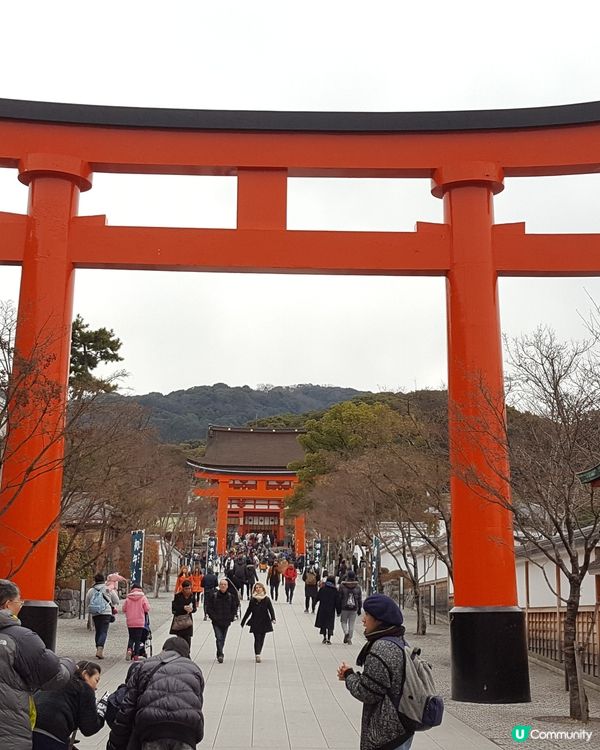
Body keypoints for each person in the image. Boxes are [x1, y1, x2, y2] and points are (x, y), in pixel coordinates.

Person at [0, 579, 74, 750]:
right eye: (20, 601)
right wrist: (68, 663)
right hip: (9, 734)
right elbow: (55, 676)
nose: (21, 605)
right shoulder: (21, 638)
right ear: (8, 604)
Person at [337, 594, 413, 750]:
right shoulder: (400, 641)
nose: (363, 620)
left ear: (379, 620)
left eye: (368, 615)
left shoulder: (381, 648)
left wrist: (349, 675)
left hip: (387, 731)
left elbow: (369, 693)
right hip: (402, 725)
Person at [107, 636, 204, 750]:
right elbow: (197, 704)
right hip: (186, 730)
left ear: (164, 650)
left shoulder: (144, 665)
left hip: (152, 727)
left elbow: (128, 707)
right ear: (187, 654)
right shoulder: (194, 669)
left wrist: (115, 743)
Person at [33, 660, 106, 749]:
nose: (96, 687)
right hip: (53, 735)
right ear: (85, 674)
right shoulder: (84, 688)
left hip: (29, 729)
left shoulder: (55, 680)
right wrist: (102, 709)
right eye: (96, 680)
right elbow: (89, 728)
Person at [85, 572, 120, 659]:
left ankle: (98, 647)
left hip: (96, 613)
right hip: (106, 613)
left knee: (98, 630)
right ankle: (100, 648)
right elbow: (116, 600)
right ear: (103, 580)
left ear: (95, 580)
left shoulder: (91, 590)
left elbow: (87, 602)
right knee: (103, 631)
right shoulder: (108, 589)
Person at [240, 582, 276, 663]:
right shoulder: (253, 600)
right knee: (257, 638)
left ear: (263, 589)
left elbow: (271, 609)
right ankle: (257, 654)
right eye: (256, 588)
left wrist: (273, 618)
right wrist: (243, 621)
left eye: (259, 587)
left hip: (265, 621)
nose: (258, 589)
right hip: (255, 621)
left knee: (262, 638)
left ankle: (259, 652)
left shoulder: (266, 599)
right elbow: (249, 611)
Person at [205, 578, 238, 663]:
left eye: (225, 585)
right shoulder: (214, 596)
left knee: (223, 638)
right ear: (219, 586)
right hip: (216, 621)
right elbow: (209, 608)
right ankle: (220, 654)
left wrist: (231, 617)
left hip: (226, 621)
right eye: (221, 584)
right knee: (219, 637)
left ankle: (219, 651)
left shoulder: (231, 597)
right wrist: (213, 617)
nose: (223, 586)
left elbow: (234, 608)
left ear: (227, 586)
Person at [122, 582, 151, 660]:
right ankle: (136, 656)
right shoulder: (143, 597)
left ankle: (129, 649)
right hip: (140, 621)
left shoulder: (128, 598)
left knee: (131, 637)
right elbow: (147, 608)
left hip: (130, 621)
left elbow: (123, 609)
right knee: (138, 639)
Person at [337, 569, 362, 645]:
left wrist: (338, 608)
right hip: (354, 607)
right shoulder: (357, 587)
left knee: (343, 621)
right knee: (352, 623)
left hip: (344, 607)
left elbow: (339, 598)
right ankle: (349, 639)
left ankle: (346, 632)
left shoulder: (342, 586)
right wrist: (359, 608)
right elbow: (359, 599)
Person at [171, 580, 196, 647]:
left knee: (188, 638)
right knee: (180, 638)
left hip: (188, 620)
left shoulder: (192, 596)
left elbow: (195, 609)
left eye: (189, 588)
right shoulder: (178, 596)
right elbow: (174, 608)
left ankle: (187, 653)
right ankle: (181, 653)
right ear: (183, 588)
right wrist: (183, 607)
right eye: (186, 589)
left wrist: (191, 609)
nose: (188, 590)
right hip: (180, 620)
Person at [314, 575, 338, 644]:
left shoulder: (323, 588)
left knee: (323, 623)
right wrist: (338, 610)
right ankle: (329, 638)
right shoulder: (335, 590)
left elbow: (317, 597)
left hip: (323, 608)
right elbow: (337, 601)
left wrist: (314, 603)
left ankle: (324, 637)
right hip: (331, 609)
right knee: (330, 623)